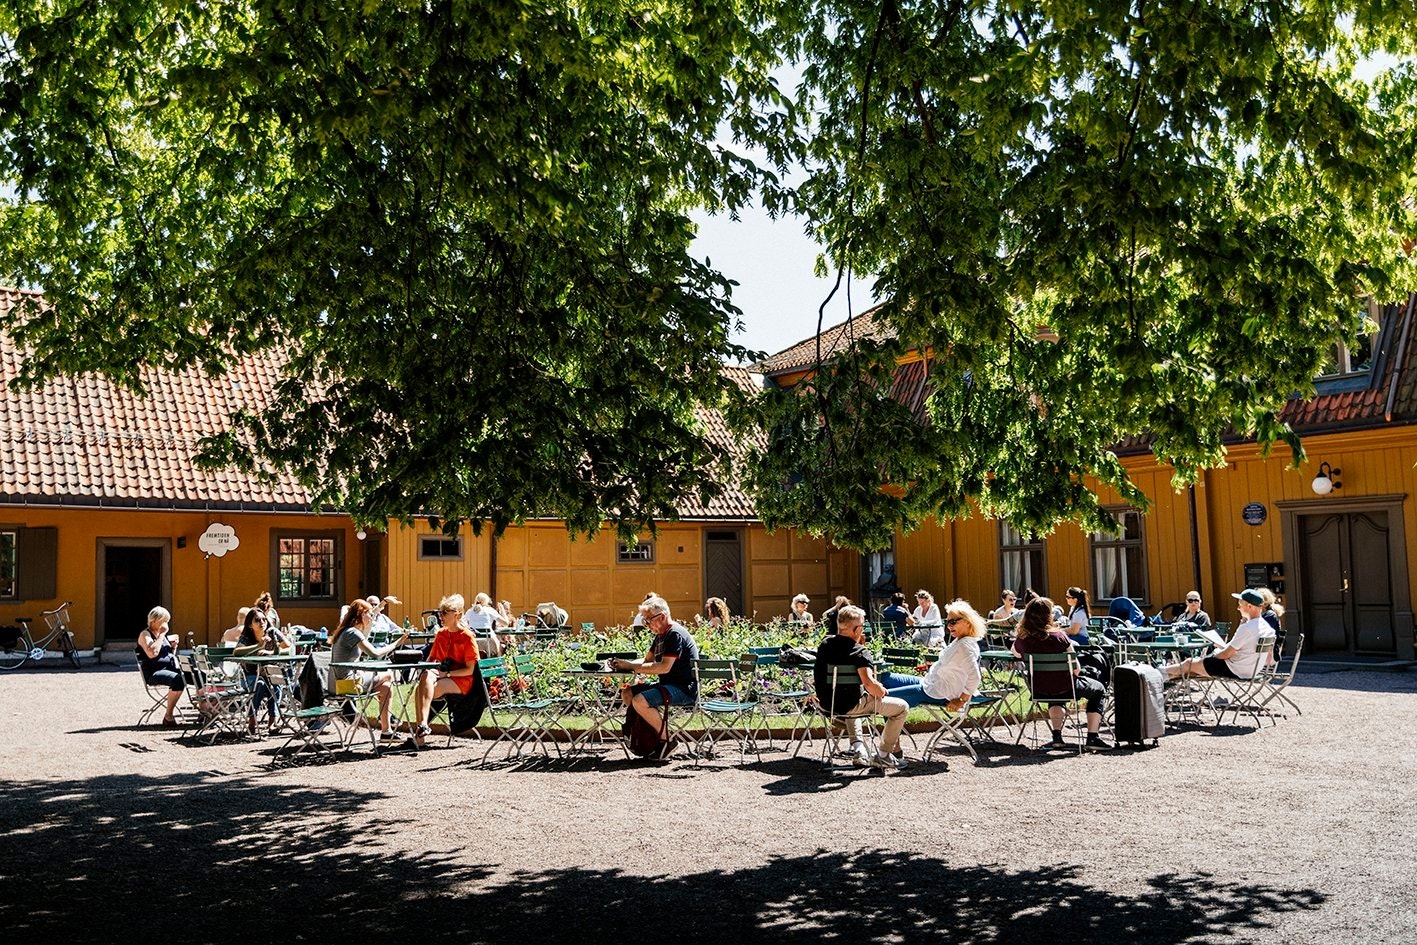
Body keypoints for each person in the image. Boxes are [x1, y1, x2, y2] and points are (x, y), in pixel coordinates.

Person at [812, 605, 910, 769]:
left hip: (827, 706)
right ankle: (884, 754)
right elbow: (869, 684)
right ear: (857, 630)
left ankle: (859, 749)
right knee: (901, 708)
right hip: (850, 707)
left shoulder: (825, 645)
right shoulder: (859, 652)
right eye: (862, 625)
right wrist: (881, 690)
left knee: (854, 704)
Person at [1012, 597, 1110, 751]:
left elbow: (1016, 654)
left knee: (1053, 687)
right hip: (1065, 687)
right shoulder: (1060, 637)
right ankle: (1092, 737)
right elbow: (1076, 668)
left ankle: (1057, 736)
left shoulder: (1023, 638)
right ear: (1048, 616)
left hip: (1039, 688)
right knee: (1098, 689)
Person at [408, 594, 500, 746]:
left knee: (421, 689)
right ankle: (423, 725)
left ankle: (421, 734)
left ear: (457, 614)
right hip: (443, 675)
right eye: (440, 612)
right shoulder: (441, 634)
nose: (441, 616)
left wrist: (446, 673)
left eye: (444, 613)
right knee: (425, 678)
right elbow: (432, 660)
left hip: (463, 681)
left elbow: (470, 671)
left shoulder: (467, 637)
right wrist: (430, 670)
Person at [611, 596, 700, 748]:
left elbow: (663, 667)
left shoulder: (674, 634)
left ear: (662, 617)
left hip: (684, 689)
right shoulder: (660, 636)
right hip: (668, 686)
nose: (646, 625)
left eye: (648, 620)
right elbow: (646, 661)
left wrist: (630, 666)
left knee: (640, 700)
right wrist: (622, 664)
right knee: (627, 693)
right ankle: (647, 735)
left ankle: (666, 741)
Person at [880, 599, 985, 710]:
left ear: (968, 622)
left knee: (883, 698)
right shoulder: (961, 640)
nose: (949, 626)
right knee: (884, 678)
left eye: (953, 622)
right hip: (930, 683)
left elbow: (975, 677)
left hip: (938, 693)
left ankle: (892, 725)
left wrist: (961, 700)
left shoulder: (965, 646)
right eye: (947, 622)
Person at [330, 598, 411, 741]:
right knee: (388, 675)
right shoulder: (352, 633)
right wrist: (397, 643)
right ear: (360, 615)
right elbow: (375, 653)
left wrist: (382, 605)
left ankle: (386, 731)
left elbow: (366, 632)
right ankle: (388, 720)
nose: (371, 616)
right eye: (368, 613)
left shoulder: (348, 631)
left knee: (386, 688)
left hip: (342, 682)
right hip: (349, 684)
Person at [1164, 589, 1276, 681]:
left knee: (1189, 663)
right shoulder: (1266, 627)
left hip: (1235, 669)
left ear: (1249, 606)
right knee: (1192, 669)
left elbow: (1226, 654)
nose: (1238, 608)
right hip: (1252, 669)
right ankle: (1163, 678)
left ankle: (1157, 674)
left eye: (1240, 605)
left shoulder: (1247, 628)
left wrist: (1212, 656)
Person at [233, 608, 291, 735]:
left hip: (269, 674)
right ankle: (252, 721)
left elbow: (289, 648)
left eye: (264, 619)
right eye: (257, 620)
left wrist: (271, 652)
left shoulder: (272, 632)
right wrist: (258, 646)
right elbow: (236, 652)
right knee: (260, 683)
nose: (262, 622)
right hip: (250, 676)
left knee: (276, 683)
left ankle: (272, 722)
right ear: (250, 624)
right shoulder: (246, 637)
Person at [137, 606, 185, 726]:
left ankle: (205, 711)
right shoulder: (145, 634)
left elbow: (168, 656)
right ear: (154, 621)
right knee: (178, 680)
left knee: (194, 675)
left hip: (169, 669)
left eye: (167, 621)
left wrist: (173, 648)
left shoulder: (160, 635)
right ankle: (168, 716)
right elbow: (153, 654)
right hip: (154, 672)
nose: (166, 624)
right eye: (164, 621)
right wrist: (162, 635)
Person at [1256, 587, 1286, 657]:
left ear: (1265, 603)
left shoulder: (1269, 615)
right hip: (1261, 653)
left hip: (1267, 655)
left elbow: (1258, 632)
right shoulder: (1264, 614)